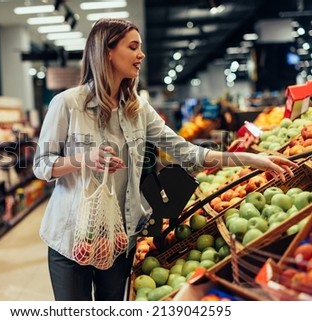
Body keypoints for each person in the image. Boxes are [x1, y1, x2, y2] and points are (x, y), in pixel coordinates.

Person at [33, 18, 298, 301]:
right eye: (133, 47)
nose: (141, 55)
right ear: (107, 52)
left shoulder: (138, 109)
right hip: (71, 237)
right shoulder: (67, 104)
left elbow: (188, 152)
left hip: (121, 239)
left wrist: (252, 158)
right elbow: (41, 164)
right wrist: (82, 159)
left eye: (141, 47)